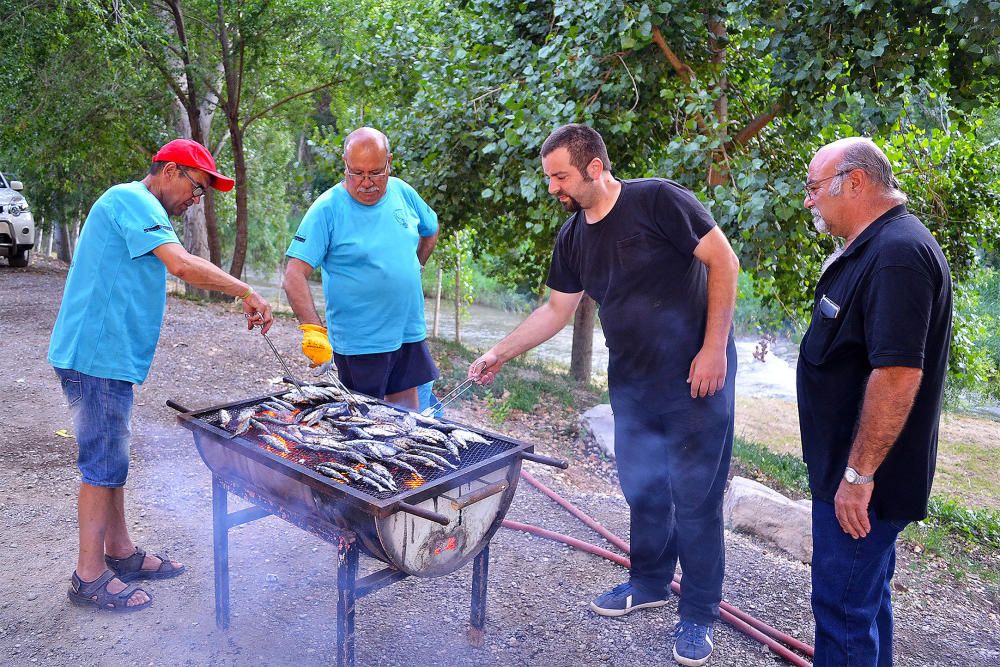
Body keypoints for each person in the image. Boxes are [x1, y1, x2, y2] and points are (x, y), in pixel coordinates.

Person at [468, 124, 739, 666]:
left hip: (696, 379)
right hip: (633, 384)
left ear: (594, 167)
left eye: (560, 176)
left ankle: (700, 613)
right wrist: (500, 351)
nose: (553, 189)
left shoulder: (660, 201)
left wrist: (714, 349)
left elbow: (724, 262)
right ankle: (649, 583)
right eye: (549, 178)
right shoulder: (573, 237)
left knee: (695, 499)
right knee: (643, 490)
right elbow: (555, 310)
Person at [48, 139, 274, 612]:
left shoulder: (141, 210)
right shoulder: (131, 199)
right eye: (197, 188)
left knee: (112, 456)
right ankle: (88, 576)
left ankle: (120, 551)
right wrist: (245, 290)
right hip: (95, 357)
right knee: (101, 463)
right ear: (170, 171)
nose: (197, 200)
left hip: (106, 357)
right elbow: (182, 265)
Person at [797, 137, 952, 666]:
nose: (809, 201)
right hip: (853, 475)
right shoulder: (874, 245)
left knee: (841, 611)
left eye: (815, 188)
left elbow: (898, 374)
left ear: (855, 182)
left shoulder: (897, 255)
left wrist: (858, 478)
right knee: (864, 601)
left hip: (867, 484)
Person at [284, 127, 439, 410]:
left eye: (376, 172)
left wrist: (416, 266)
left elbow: (431, 228)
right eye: (357, 173)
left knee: (407, 418)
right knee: (366, 420)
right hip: (361, 340)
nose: (366, 183)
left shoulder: (403, 192)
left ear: (389, 162)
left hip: (408, 328)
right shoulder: (327, 209)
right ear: (345, 164)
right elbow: (294, 274)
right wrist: (313, 329)